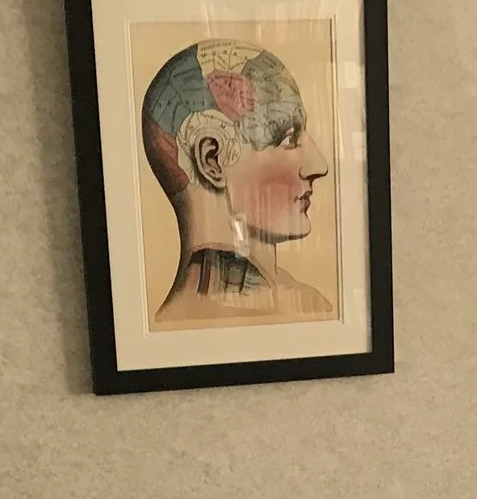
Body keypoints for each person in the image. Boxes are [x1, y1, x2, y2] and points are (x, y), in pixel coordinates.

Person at [140, 39, 334, 326]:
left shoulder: (300, 301)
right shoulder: (202, 317)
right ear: (212, 159)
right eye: (289, 139)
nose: (319, 166)